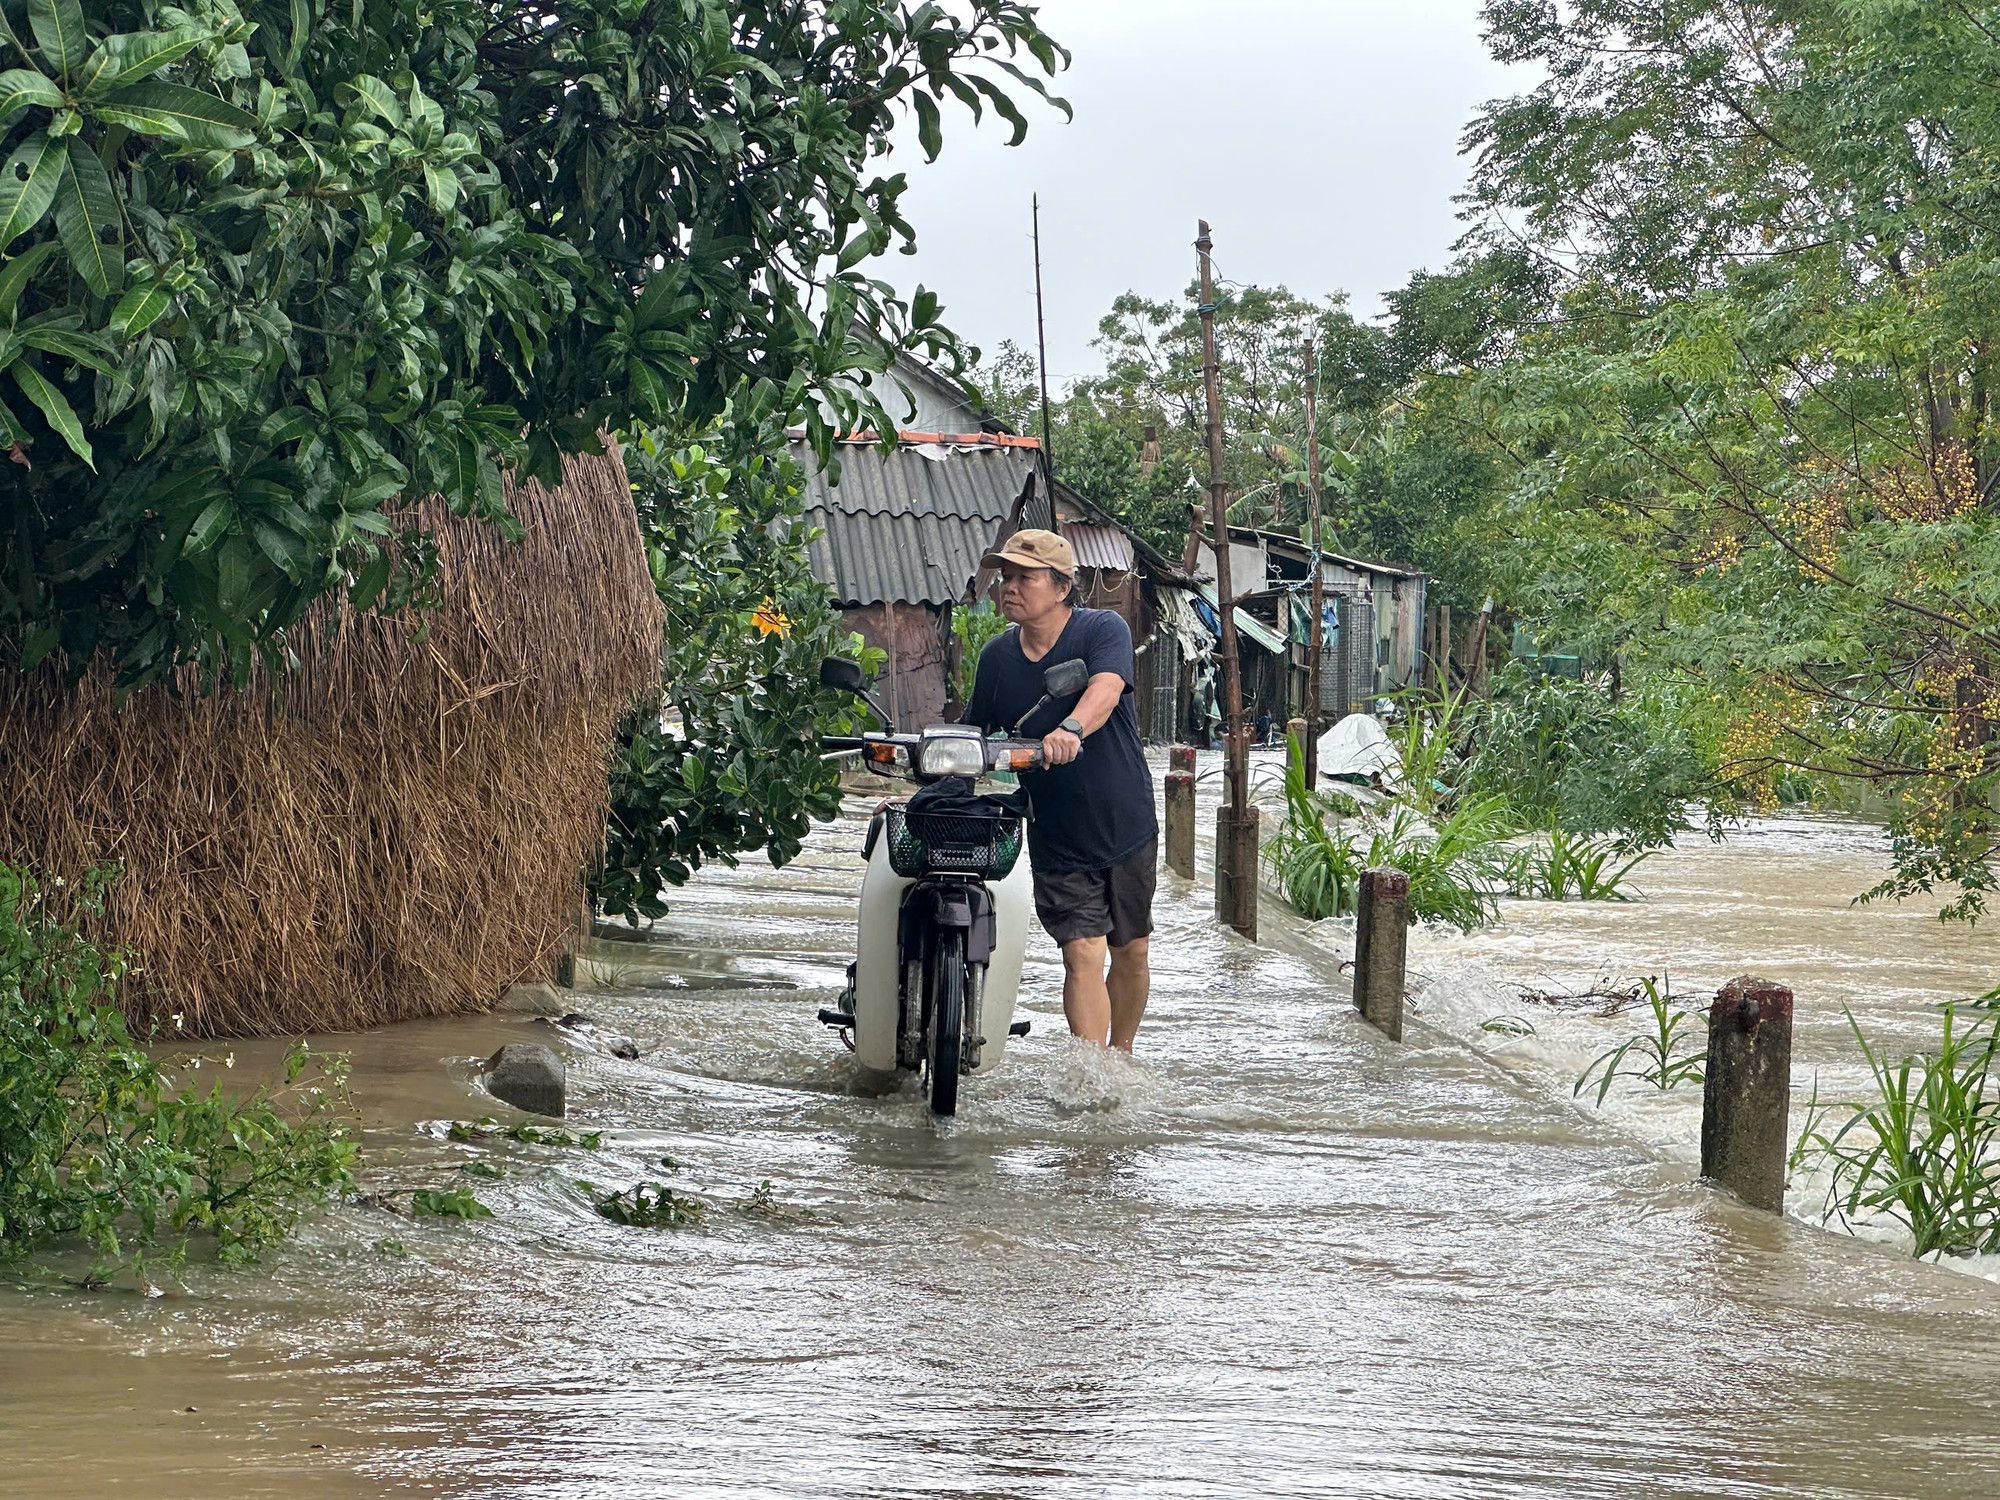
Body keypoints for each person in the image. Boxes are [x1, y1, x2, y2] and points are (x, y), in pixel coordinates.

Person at [962, 530, 1159, 1052]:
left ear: (1062, 586)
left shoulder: (1102, 629)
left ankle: (1122, 1055)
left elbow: (1107, 687)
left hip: (1124, 821)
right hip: (1056, 834)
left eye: (1024, 576)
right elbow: (972, 732)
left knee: (1131, 949)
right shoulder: (996, 660)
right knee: (1083, 952)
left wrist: (1070, 729)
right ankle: (1094, 1075)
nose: (1009, 587)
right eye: (1005, 576)